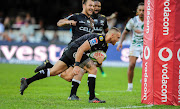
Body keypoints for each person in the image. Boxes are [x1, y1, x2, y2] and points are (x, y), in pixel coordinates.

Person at [20, 27, 121, 103]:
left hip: (71, 51)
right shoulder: (98, 38)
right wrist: (77, 65)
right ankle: (92, 98)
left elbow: (95, 63)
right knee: (92, 70)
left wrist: (99, 62)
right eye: (118, 37)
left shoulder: (105, 47)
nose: (118, 40)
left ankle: (27, 80)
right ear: (112, 35)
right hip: (75, 50)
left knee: (60, 74)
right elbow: (81, 49)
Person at [34, 0, 95, 100]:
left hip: (81, 51)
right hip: (74, 50)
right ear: (83, 5)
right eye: (90, 5)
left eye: (93, 6)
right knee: (84, 70)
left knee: (69, 77)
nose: (92, 8)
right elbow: (59, 22)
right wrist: (68, 22)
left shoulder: (92, 22)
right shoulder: (76, 16)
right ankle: (76, 96)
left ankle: (50, 66)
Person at [116, 2, 144, 91]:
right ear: (137, 11)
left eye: (143, 10)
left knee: (147, 66)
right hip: (135, 45)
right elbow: (125, 32)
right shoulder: (133, 21)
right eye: (140, 10)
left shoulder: (150, 21)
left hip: (146, 45)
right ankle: (130, 86)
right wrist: (120, 43)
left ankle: (144, 79)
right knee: (131, 65)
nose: (141, 12)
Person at [91, 0, 108, 77]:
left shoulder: (103, 18)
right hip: (88, 44)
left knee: (97, 63)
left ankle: (91, 87)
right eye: (95, 6)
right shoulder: (87, 17)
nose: (97, 8)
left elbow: (106, 31)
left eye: (99, 6)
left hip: (99, 44)